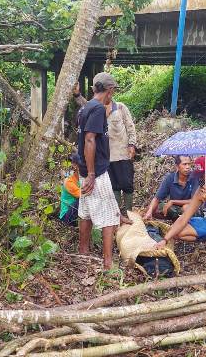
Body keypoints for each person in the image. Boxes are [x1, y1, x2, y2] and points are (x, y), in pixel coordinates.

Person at [76, 72, 130, 270]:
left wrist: (82, 169)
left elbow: (79, 140)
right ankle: (108, 263)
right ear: (109, 90)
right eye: (113, 91)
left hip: (85, 168)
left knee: (86, 212)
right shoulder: (98, 108)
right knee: (109, 217)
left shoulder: (85, 108)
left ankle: (83, 252)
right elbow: (89, 139)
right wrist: (91, 174)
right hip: (96, 171)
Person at [73, 83, 137, 216]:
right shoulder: (96, 109)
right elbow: (85, 105)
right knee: (113, 186)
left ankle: (128, 212)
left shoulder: (120, 107)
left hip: (121, 153)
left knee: (126, 184)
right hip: (104, 157)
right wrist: (77, 95)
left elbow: (130, 126)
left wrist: (132, 144)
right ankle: (117, 214)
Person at [143, 155, 199, 221]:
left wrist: (173, 201)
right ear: (177, 166)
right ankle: (170, 220)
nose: (188, 167)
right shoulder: (170, 178)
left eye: (189, 164)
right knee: (152, 208)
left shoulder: (195, 178)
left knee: (185, 208)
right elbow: (157, 198)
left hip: (191, 209)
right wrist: (150, 211)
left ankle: (184, 226)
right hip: (175, 209)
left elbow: (194, 200)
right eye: (184, 164)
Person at [58, 153, 81, 226]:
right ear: (75, 165)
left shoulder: (85, 179)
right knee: (83, 199)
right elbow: (83, 195)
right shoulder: (69, 181)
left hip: (77, 213)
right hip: (67, 217)